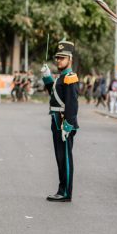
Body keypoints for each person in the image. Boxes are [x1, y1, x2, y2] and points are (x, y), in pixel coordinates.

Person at [40, 40, 79, 202]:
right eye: (57, 58)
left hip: (64, 122)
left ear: (70, 59)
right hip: (57, 120)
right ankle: (62, 189)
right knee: (60, 157)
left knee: (65, 158)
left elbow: (71, 103)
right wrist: (47, 78)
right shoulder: (61, 78)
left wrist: (68, 125)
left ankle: (66, 192)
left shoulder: (70, 78)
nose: (59, 61)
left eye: (62, 58)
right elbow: (55, 96)